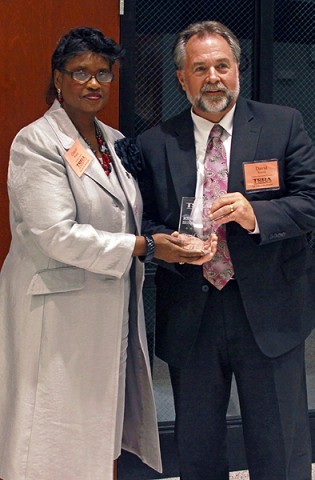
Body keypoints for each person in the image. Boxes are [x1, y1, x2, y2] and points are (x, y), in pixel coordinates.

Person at [0, 26, 218, 480]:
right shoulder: (36, 142)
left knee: (93, 430)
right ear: (58, 79)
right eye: (80, 72)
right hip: (55, 312)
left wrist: (169, 237)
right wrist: (146, 246)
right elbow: (56, 234)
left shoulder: (113, 140)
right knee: (47, 430)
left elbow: (126, 214)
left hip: (108, 306)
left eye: (104, 73)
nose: (94, 83)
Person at [137, 20, 315, 480]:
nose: (213, 77)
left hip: (269, 309)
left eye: (222, 65)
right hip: (191, 311)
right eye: (200, 68)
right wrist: (165, 245)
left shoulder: (282, 124)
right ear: (182, 78)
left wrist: (256, 215)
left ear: (238, 70)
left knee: (280, 446)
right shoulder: (156, 143)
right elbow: (144, 220)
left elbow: (309, 202)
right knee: (197, 448)